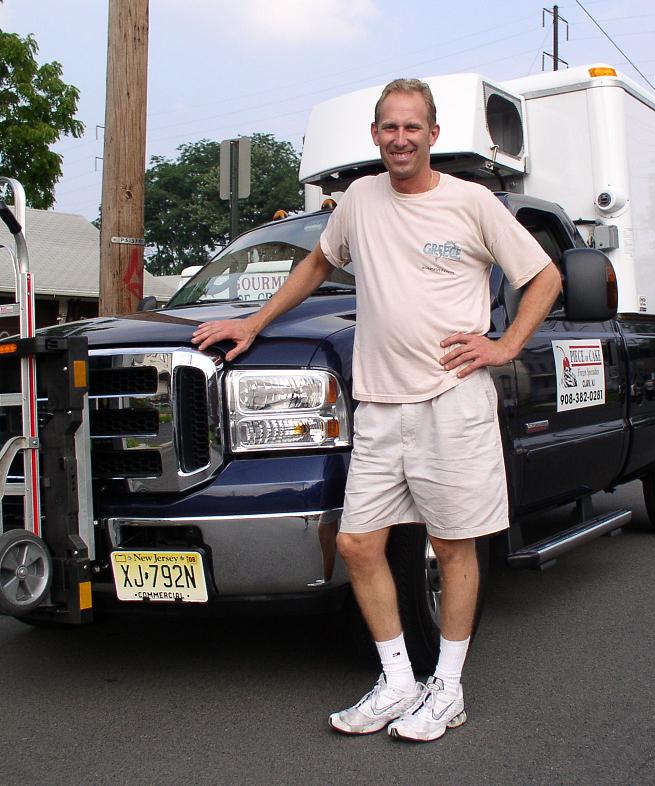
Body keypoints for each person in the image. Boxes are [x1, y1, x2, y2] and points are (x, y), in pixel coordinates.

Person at [192, 78, 562, 743]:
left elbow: (545, 276)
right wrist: (252, 322)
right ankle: (397, 680)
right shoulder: (359, 199)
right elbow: (314, 264)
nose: (400, 139)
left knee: (452, 545)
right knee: (358, 543)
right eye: (388, 128)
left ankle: (445, 687)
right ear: (374, 136)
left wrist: (506, 343)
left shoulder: (470, 202)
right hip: (380, 404)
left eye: (411, 127)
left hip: (451, 400)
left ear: (432, 136)